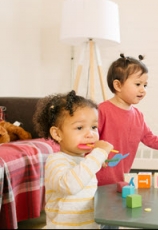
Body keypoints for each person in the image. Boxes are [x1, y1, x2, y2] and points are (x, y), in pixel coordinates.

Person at [96, 53, 158, 186]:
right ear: (118, 85)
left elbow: (150, 138)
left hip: (121, 179)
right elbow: (89, 140)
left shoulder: (137, 115)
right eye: (138, 84)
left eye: (145, 85)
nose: (143, 90)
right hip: (96, 179)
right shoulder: (101, 111)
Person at [32, 90, 114, 229]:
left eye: (94, 127)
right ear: (57, 134)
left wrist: (97, 160)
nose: (90, 134)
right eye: (80, 127)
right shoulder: (56, 161)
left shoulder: (84, 162)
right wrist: (97, 155)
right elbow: (70, 185)